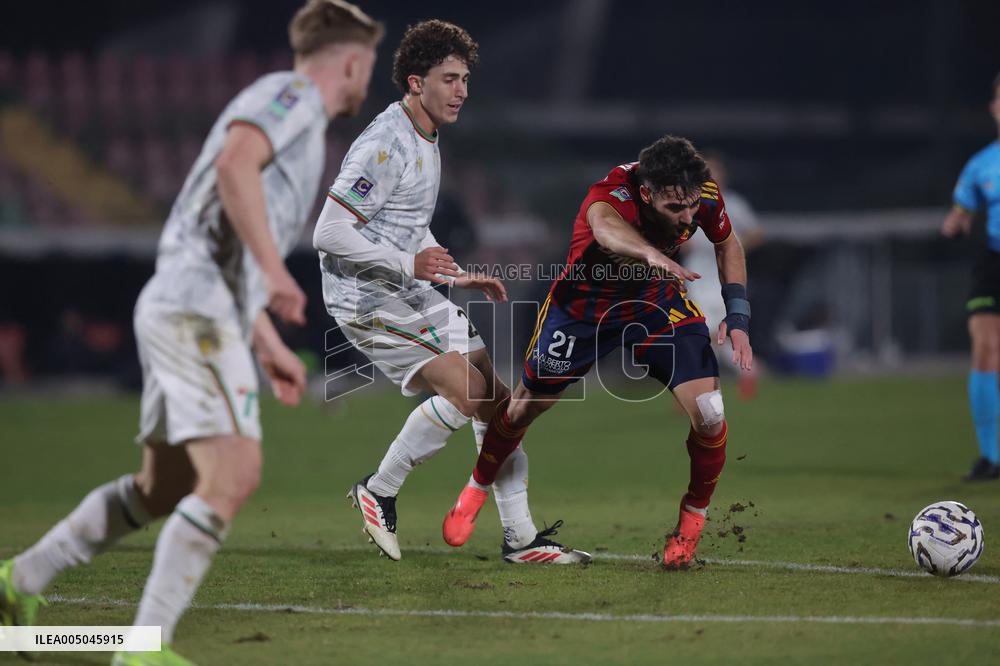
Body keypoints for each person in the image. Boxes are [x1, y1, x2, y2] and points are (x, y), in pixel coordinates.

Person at [0, 2, 383, 664]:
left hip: (191, 306)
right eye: (368, 68)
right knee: (233, 474)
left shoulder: (296, 122)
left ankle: (18, 581)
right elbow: (235, 166)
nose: (364, 83)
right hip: (193, 311)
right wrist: (276, 274)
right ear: (351, 61)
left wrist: (266, 343)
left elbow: (224, 233)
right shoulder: (291, 95)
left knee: (163, 487)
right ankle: (143, 649)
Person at [313, 20, 589, 565]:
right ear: (416, 83)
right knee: (472, 397)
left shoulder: (428, 137)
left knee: (502, 404)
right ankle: (379, 489)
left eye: (465, 78)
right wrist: (408, 263)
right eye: (449, 78)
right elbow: (327, 232)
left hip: (408, 285)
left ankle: (521, 538)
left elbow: (407, 226)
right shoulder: (384, 144)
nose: (461, 90)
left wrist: (453, 273)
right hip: (365, 297)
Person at [442, 135, 753, 569]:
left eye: (690, 208)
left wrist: (737, 315)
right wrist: (649, 252)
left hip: (654, 304)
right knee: (522, 409)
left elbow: (728, 243)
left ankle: (690, 524)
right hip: (583, 310)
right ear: (647, 194)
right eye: (674, 210)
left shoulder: (698, 192)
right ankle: (475, 490)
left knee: (710, 411)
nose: (687, 217)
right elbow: (605, 229)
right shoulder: (611, 193)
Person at [942, 71, 1000, 482]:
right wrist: (955, 222)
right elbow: (960, 214)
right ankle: (991, 458)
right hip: (993, 261)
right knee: (984, 349)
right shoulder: (982, 164)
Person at [682, 152, 762, 399]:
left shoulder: (734, 204)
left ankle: (743, 373)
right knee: (700, 331)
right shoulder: (688, 204)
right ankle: (705, 385)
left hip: (724, 275)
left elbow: (756, 233)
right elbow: (677, 236)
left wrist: (733, 248)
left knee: (717, 333)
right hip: (696, 275)